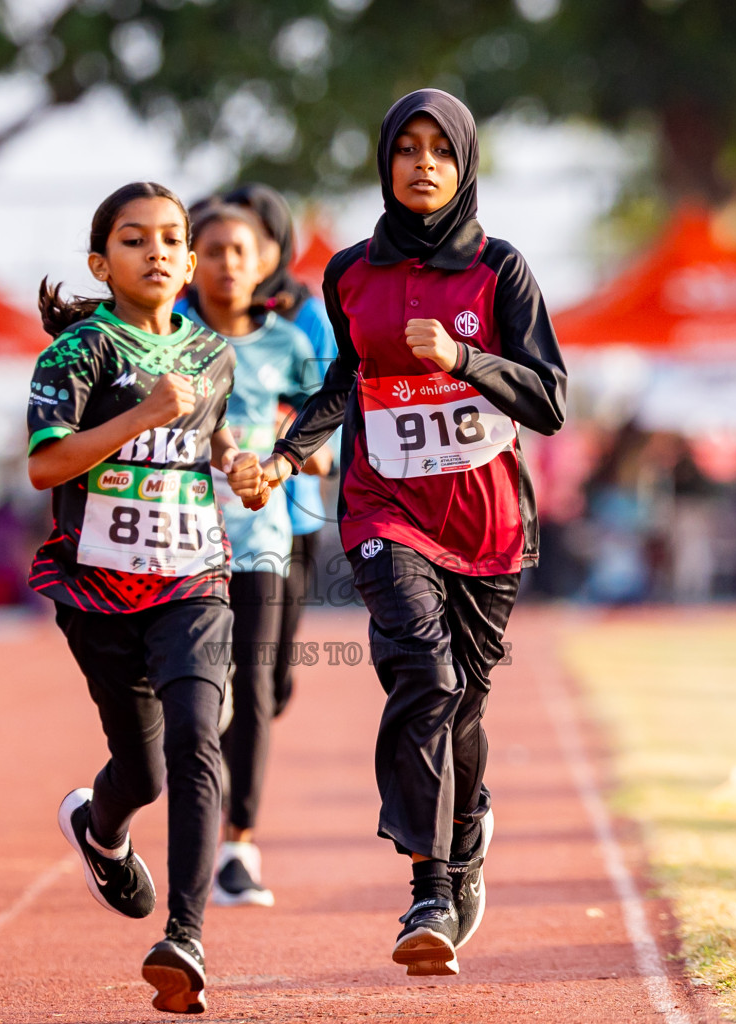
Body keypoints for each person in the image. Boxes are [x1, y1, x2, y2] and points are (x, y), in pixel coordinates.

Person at [248, 89, 567, 977]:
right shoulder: (350, 273)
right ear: (384, 162)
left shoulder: (501, 271)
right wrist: (287, 453)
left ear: (464, 167)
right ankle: (430, 887)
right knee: (422, 674)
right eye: (406, 149)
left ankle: (466, 834)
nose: (422, 164)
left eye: (440, 151)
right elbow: (344, 382)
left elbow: (550, 401)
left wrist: (463, 359)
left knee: (464, 695)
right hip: (385, 509)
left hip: (489, 523)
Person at [26, 180, 265, 1015]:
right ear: (101, 261)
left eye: (170, 238)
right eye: (134, 240)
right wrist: (142, 417)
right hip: (96, 591)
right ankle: (101, 828)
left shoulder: (212, 353)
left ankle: (186, 938)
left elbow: (216, 436)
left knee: (199, 737)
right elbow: (46, 467)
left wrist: (240, 465)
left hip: (194, 579)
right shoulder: (76, 353)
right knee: (144, 770)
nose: (156, 251)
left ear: (190, 261)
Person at [180, 199, 321, 907]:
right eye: (212, 251)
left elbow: (321, 419)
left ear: (263, 261)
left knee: (263, 686)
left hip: (265, 542)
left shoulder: (287, 342)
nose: (227, 264)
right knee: (204, 697)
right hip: (182, 547)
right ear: (189, 262)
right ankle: (219, 837)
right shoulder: (168, 340)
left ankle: (240, 842)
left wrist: (302, 459)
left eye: (240, 251)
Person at [220, 184, 340, 720]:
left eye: (254, 238)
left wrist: (274, 432)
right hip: (211, 513)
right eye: (223, 239)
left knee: (272, 673)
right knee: (217, 664)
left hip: (289, 512)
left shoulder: (305, 316)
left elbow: (326, 402)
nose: (239, 251)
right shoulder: (188, 313)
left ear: (278, 244)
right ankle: (218, 765)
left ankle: (249, 727)